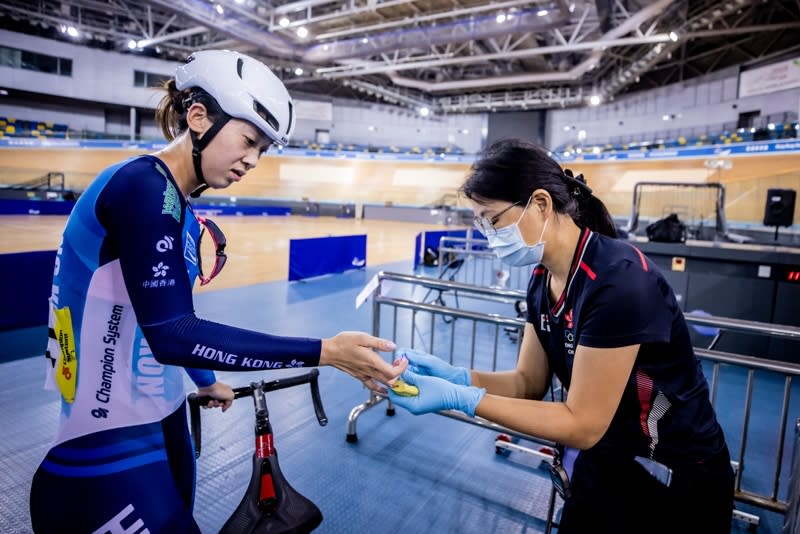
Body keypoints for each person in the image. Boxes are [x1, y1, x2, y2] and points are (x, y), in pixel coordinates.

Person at [30, 50, 406, 533]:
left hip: (161, 417)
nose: (252, 160)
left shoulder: (178, 206)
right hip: (106, 432)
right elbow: (173, 334)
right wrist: (326, 351)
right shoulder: (142, 186)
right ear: (199, 116)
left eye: (263, 150)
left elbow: (168, 315)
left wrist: (204, 381)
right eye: (248, 140)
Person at [386, 138, 735, 533]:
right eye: (480, 224)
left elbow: (583, 422)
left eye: (492, 220)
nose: (487, 234)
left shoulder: (618, 281)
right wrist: (455, 377)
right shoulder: (541, 281)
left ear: (540, 203)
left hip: (674, 477)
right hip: (605, 461)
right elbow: (526, 384)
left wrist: (464, 400)